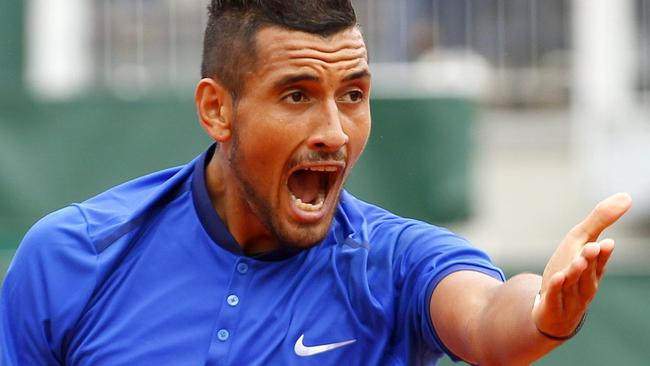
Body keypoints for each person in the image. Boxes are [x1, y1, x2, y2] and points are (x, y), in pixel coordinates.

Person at [0, 1, 632, 365]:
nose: (334, 130)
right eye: (297, 94)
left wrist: (544, 315)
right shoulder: (71, 257)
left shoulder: (398, 264)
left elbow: (491, 315)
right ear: (217, 109)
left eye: (353, 94)